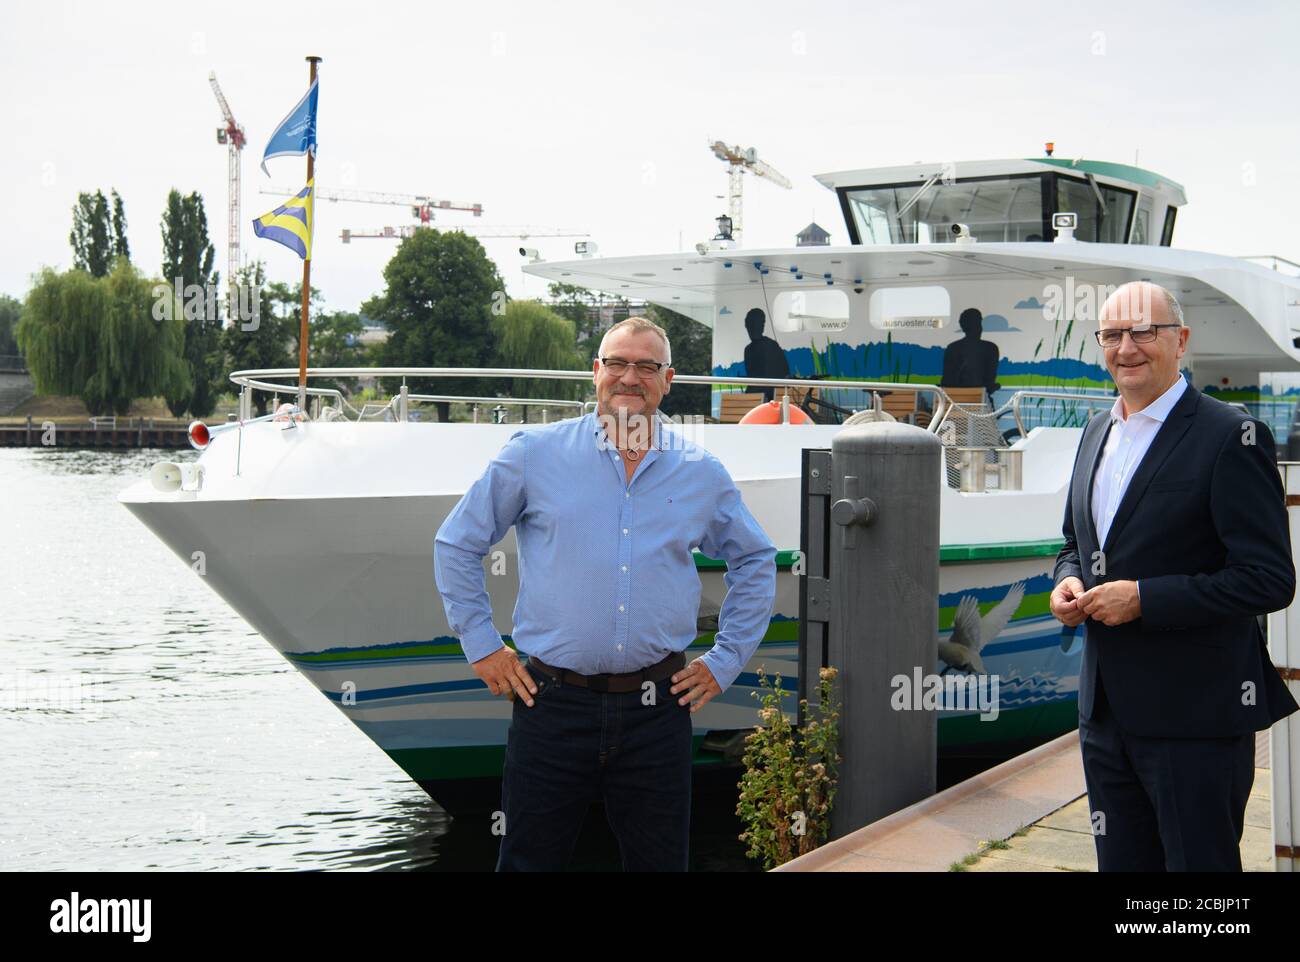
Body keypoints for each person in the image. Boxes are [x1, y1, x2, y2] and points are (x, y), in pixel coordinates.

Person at [434, 315, 777, 871]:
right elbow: (456, 542)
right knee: (528, 862)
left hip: (658, 709)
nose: (629, 377)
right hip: (549, 705)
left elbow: (755, 558)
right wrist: (482, 644)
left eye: (646, 366)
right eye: (617, 362)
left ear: (668, 380)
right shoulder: (533, 455)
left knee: (660, 863)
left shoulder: (701, 472)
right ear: (596, 372)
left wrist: (725, 660)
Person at [1049, 281, 1298, 871]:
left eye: (1143, 332)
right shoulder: (1093, 433)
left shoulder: (1228, 435)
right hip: (1104, 717)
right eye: (1112, 334)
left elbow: (1269, 579)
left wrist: (1145, 600)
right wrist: (1066, 582)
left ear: (1179, 340)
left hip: (1196, 719)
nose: (1126, 347)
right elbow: (1072, 544)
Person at [940, 307, 1001, 402]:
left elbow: (946, 382)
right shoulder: (990, 348)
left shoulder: (953, 348)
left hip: (954, 402)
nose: (980, 328)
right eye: (978, 324)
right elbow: (989, 382)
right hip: (971, 402)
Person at [742, 308, 790, 402]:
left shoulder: (770, 345)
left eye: (753, 324)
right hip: (760, 397)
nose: (750, 328)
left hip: (768, 397)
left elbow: (783, 373)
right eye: (749, 325)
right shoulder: (749, 349)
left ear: (761, 326)